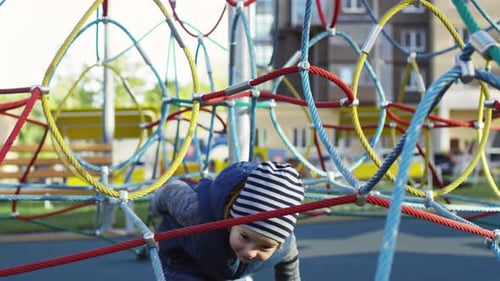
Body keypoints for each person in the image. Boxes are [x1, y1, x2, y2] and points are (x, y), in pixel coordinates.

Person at [150, 160, 305, 281]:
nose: (250, 252)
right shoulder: (197, 215)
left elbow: (289, 264)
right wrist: (154, 209)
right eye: (244, 236)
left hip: (221, 264)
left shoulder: (283, 247)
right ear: (231, 218)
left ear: (278, 244)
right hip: (185, 260)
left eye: (265, 246)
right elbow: (171, 192)